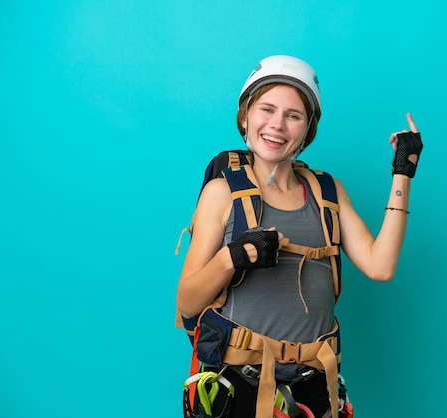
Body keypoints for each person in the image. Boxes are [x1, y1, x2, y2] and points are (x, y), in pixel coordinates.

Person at [176, 55, 423, 418]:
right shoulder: (222, 192)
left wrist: (403, 173)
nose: (277, 125)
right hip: (239, 383)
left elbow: (380, 266)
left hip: (314, 384)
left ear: (307, 129)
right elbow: (187, 302)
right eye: (267, 109)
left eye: (293, 115)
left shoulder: (328, 192)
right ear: (245, 116)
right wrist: (232, 257)